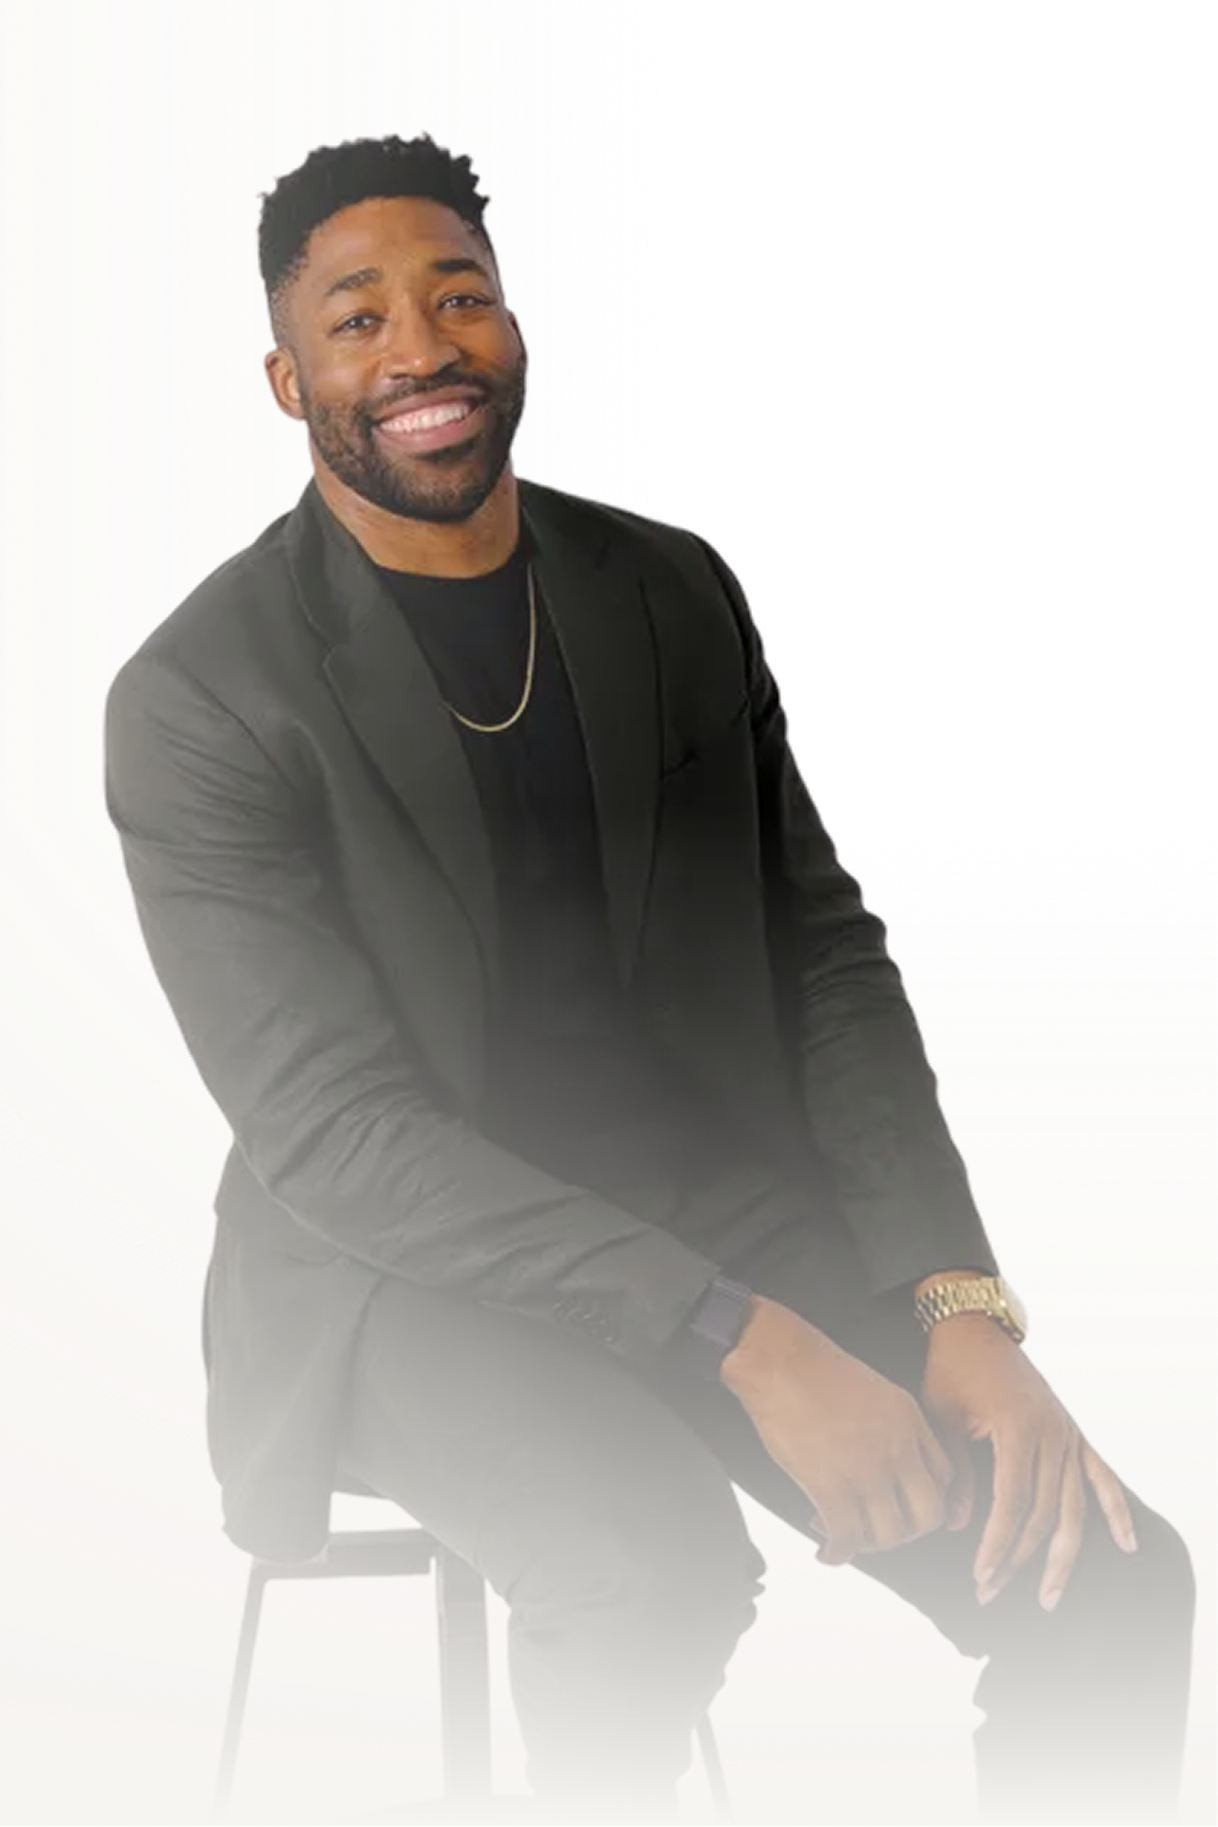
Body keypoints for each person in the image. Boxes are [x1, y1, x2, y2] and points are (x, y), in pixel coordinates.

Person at [102, 132, 1194, 1827]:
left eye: (459, 296)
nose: (421, 350)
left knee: (1108, 1578)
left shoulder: (671, 590)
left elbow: (823, 955)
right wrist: (735, 1334)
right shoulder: (200, 696)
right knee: (651, 1570)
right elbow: (335, 1131)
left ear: (513, 323)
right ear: (287, 378)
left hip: (708, 1206)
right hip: (399, 1278)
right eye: (358, 318)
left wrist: (953, 1304)